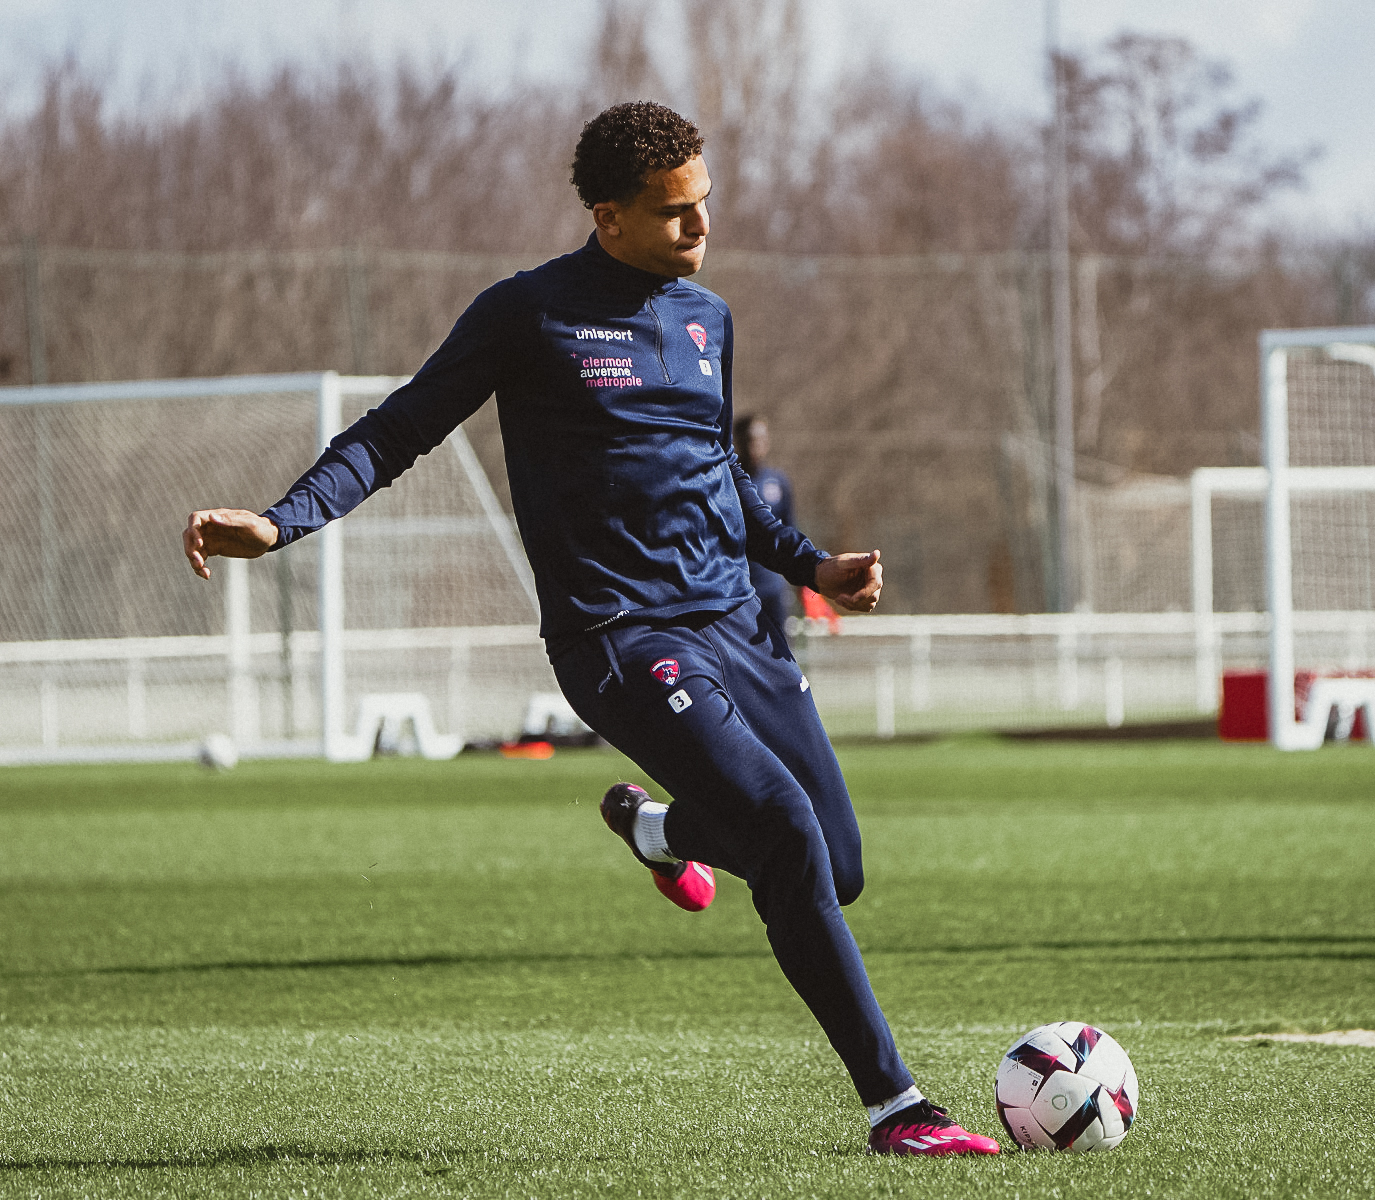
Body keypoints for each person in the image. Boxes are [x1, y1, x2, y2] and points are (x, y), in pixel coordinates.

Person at [181, 101, 998, 1158]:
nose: (699, 229)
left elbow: (722, 481)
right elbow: (398, 429)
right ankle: (900, 1110)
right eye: (674, 214)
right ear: (607, 216)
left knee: (833, 867)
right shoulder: (529, 315)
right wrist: (282, 520)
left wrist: (811, 566)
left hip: (736, 630)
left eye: (704, 205)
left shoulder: (706, 321)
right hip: (619, 637)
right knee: (784, 830)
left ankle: (660, 832)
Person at [733, 414, 796, 632]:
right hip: (739, 585)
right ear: (738, 440)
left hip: (773, 586)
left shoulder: (778, 481)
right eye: (751, 439)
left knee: (779, 651)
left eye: (761, 439)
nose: (756, 445)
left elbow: (789, 531)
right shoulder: (727, 481)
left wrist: (799, 580)